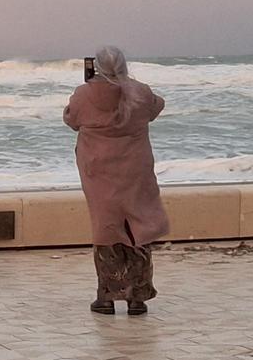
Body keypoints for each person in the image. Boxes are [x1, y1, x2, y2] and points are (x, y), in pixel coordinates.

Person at [64, 45, 169, 315]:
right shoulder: (140, 92)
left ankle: (107, 296)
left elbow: (71, 119)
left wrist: (91, 86)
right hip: (135, 169)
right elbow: (157, 106)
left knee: (106, 227)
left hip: (99, 172)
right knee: (137, 226)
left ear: (97, 66)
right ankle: (137, 297)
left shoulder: (84, 94)